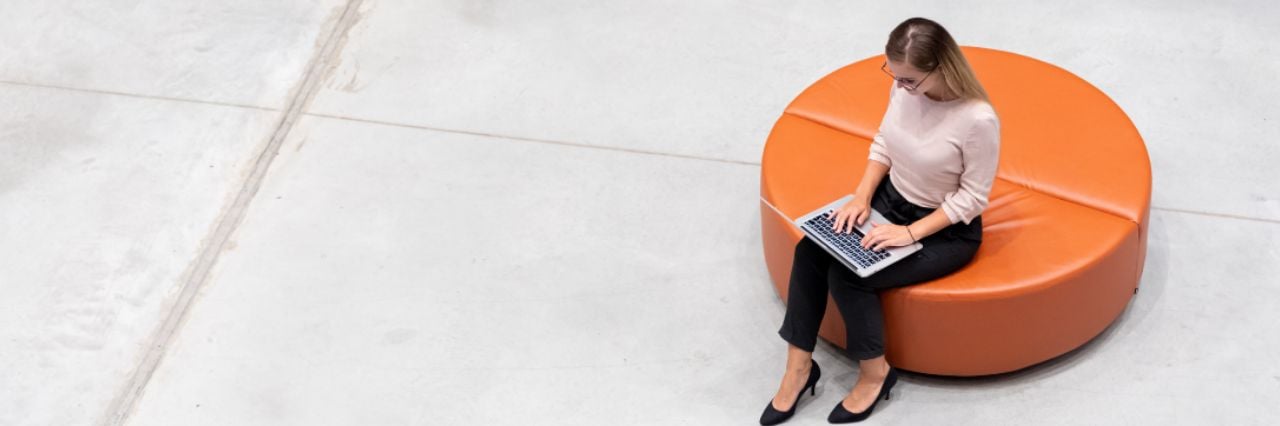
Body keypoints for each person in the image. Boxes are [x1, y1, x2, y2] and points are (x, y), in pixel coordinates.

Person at [759, 17, 1000, 425]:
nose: (901, 86)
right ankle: (798, 370)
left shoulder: (977, 120)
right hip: (890, 199)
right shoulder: (904, 87)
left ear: (942, 68)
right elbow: (884, 142)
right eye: (895, 75)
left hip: (943, 229)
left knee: (851, 275)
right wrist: (862, 194)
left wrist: (909, 233)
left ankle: (875, 374)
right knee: (811, 250)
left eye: (910, 80)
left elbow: (973, 199)